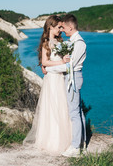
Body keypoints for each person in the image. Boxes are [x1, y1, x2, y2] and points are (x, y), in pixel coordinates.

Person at [23, 15, 72, 154]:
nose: (60, 30)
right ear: (50, 26)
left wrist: (66, 59)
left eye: (61, 28)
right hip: (52, 80)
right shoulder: (46, 42)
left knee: (61, 107)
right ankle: (51, 140)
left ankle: (63, 138)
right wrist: (62, 63)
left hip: (60, 78)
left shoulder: (59, 41)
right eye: (58, 27)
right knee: (52, 107)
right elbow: (45, 62)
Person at [45, 14, 87, 157]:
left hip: (73, 77)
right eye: (60, 28)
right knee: (77, 111)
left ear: (70, 27)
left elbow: (69, 66)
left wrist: (48, 69)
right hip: (70, 77)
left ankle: (76, 147)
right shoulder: (72, 42)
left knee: (74, 113)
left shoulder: (79, 43)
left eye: (64, 27)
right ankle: (81, 142)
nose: (62, 30)